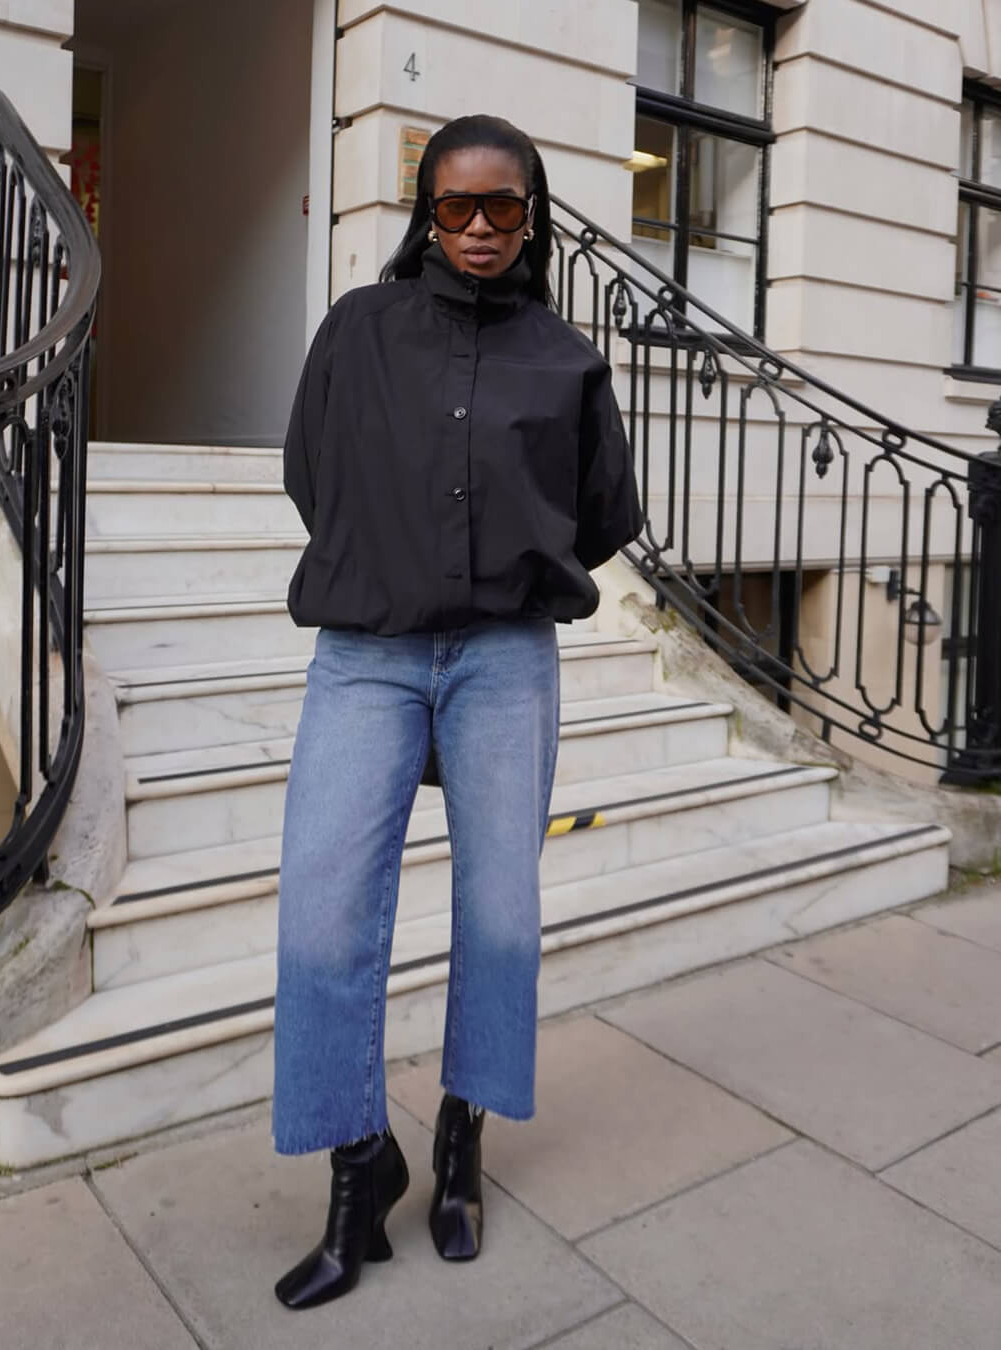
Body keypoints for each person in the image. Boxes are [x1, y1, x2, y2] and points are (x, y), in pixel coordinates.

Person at [272, 113, 642, 1310]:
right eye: (455, 206)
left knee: (501, 918)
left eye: (502, 207)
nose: (479, 226)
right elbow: (311, 472)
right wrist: (392, 556)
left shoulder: (566, 359)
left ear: (532, 216)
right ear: (426, 214)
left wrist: (503, 566)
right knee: (322, 919)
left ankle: (460, 1138)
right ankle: (359, 1168)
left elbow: (603, 513)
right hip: (367, 654)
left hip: (503, 659)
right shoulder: (359, 329)